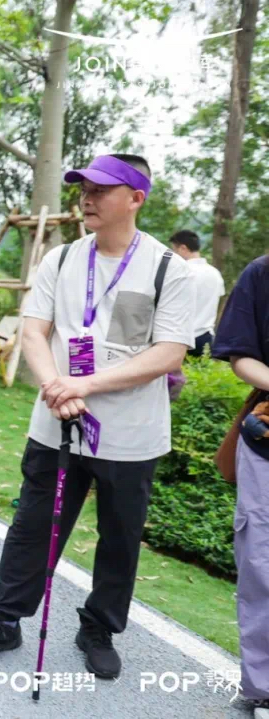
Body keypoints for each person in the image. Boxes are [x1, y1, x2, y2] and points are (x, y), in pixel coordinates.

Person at [0, 154, 194, 680]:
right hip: (56, 423)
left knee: (119, 537)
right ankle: (5, 619)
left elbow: (168, 353)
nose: (87, 198)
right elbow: (34, 331)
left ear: (136, 199)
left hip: (131, 434)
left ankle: (98, 628)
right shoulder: (61, 259)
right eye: (83, 188)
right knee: (33, 526)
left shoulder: (168, 269)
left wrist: (82, 385)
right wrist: (55, 386)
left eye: (100, 190)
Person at [210, 257, 269, 716]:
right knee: (261, 564)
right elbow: (240, 356)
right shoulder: (262, 273)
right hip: (266, 444)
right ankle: (264, 688)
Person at [169, 229, 225, 357]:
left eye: (174, 250)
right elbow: (219, 304)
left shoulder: (180, 272)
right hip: (205, 339)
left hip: (180, 339)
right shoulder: (214, 273)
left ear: (183, 248)